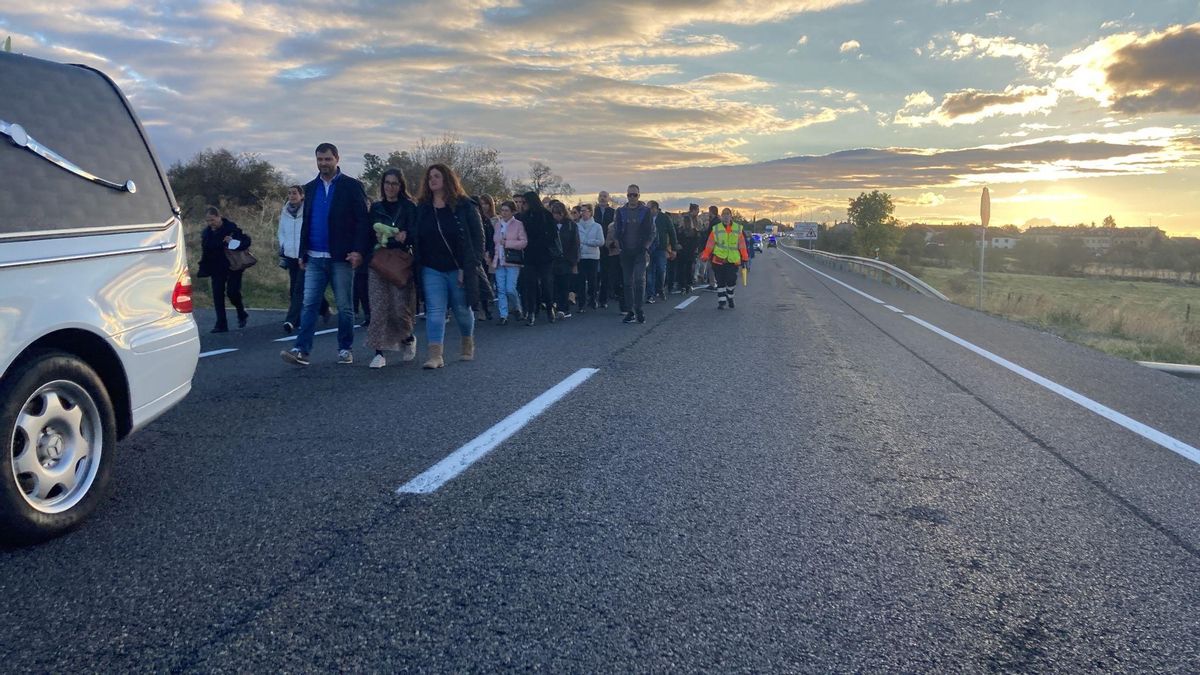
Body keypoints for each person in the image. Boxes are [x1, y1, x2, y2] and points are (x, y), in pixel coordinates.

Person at [281, 142, 371, 367]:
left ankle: (345, 349)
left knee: (344, 305)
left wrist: (358, 251)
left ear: (337, 159)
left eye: (327, 159)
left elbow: (362, 221)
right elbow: (306, 222)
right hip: (314, 256)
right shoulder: (309, 188)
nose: (323, 164)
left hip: (341, 257)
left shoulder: (352, 186)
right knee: (309, 304)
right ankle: (301, 350)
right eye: (320, 159)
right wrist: (302, 252)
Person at [411, 164, 483, 368]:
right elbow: (416, 235)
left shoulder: (465, 206)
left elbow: (478, 240)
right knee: (435, 310)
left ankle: (467, 343)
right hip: (431, 267)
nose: (432, 180)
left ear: (447, 180)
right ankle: (435, 356)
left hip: (458, 267)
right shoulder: (422, 207)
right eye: (429, 177)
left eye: (437, 176)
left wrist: (467, 267)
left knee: (461, 308)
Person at [366, 169, 418, 369]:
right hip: (378, 259)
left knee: (399, 308)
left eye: (394, 183)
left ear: (401, 186)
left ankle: (407, 337)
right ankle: (378, 352)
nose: (390, 187)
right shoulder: (376, 207)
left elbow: (416, 231)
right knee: (378, 307)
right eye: (387, 183)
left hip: (400, 261)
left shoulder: (409, 207)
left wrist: (407, 235)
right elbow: (368, 230)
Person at [277, 185, 330, 333]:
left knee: (299, 289)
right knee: (295, 286)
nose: (292, 196)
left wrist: (306, 249)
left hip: (305, 254)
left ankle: (291, 320)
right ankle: (324, 308)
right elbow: (281, 231)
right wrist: (283, 245)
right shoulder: (285, 211)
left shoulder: (307, 210)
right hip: (290, 253)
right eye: (289, 193)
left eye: (294, 193)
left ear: (301, 195)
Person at [198, 205, 251, 334]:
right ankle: (221, 324)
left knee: (232, 292)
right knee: (217, 295)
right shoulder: (206, 233)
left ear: (219, 217)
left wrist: (232, 241)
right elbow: (206, 251)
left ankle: (241, 312)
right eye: (208, 221)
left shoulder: (231, 228)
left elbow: (246, 242)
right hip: (216, 267)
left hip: (233, 266)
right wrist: (203, 267)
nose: (211, 223)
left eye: (212, 220)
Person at [614, 184, 654, 324]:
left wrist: (645, 247)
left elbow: (650, 232)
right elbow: (617, 231)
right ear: (627, 195)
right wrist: (619, 246)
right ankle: (630, 311)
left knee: (638, 280)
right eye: (629, 195)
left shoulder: (645, 211)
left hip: (640, 251)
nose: (632, 197)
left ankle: (639, 309)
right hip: (626, 252)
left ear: (639, 195)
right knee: (627, 283)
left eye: (634, 195)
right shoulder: (620, 212)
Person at [517, 191, 558, 326]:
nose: (522, 205)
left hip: (545, 255)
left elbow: (553, 234)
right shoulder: (523, 217)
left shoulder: (546, 215)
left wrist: (543, 243)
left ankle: (549, 307)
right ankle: (531, 311)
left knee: (546, 283)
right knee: (530, 285)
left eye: (524, 202)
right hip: (529, 255)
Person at [699, 207, 748, 310]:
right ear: (721, 216)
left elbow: (742, 245)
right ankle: (721, 302)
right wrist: (705, 255)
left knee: (731, 280)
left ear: (731, 216)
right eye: (724, 214)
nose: (725, 216)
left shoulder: (738, 229)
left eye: (727, 214)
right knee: (720, 282)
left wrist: (745, 257)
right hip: (718, 260)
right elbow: (710, 244)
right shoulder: (716, 229)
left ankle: (730, 296)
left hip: (732, 260)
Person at [492, 200, 526, 325]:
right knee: (500, 289)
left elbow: (523, 242)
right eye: (502, 210)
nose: (504, 213)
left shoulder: (518, 224)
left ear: (512, 212)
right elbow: (494, 242)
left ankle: (517, 307)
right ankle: (503, 315)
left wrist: (507, 243)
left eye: (507, 210)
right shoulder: (497, 225)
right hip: (499, 259)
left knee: (510, 288)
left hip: (512, 260)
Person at [550, 201, 579, 319]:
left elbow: (575, 244)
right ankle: (556, 306)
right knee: (554, 284)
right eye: (554, 213)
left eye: (559, 213)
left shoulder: (571, 225)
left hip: (566, 260)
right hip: (553, 259)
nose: (557, 216)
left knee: (564, 285)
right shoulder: (550, 224)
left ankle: (564, 308)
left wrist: (573, 261)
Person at [645, 200, 678, 303]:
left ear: (655, 208)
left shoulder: (664, 218)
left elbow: (672, 233)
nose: (647, 210)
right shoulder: (646, 218)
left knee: (661, 270)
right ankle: (650, 294)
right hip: (649, 249)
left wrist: (674, 249)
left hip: (661, 249)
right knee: (649, 272)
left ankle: (660, 288)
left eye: (649, 208)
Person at [575, 203, 604, 312]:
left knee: (593, 280)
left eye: (585, 211)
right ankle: (581, 303)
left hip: (593, 257)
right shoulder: (577, 226)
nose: (582, 213)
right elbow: (576, 241)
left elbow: (601, 241)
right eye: (581, 211)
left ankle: (593, 298)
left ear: (590, 212)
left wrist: (587, 242)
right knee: (581, 280)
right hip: (581, 256)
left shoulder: (597, 226)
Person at [593, 190, 619, 309]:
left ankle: (604, 297)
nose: (602, 198)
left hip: (607, 247)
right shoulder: (594, 211)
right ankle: (592, 297)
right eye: (600, 196)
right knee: (594, 273)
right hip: (594, 245)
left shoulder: (612, 212)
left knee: (605, 273)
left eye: (604, 196)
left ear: (608, 199)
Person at [675, 203, 702, 294]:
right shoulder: (684, 223)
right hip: (685, 248)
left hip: (689, 248)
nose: (698, 212)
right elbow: (678, 235)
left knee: (687, 267)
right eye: (697, 210)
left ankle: (686, 284)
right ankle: (685, 284)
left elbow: (697, 237)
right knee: (685, 267)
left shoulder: (694, 224)